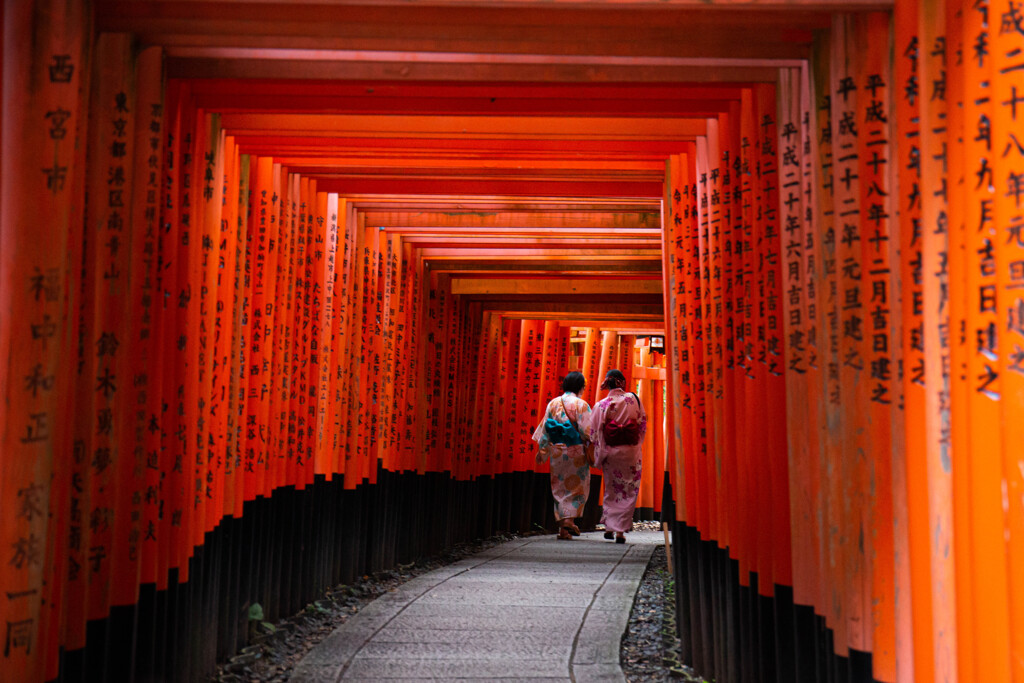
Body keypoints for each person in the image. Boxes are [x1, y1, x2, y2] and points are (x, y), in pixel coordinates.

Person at [585, 369, 647, 544]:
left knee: (612, 489)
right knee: (629, 490)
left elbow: (595, 432)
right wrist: (636, 444)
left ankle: (610, 526)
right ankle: (620, 532)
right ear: (622, 383)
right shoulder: (634, 400)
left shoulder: (601, 405)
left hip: (611, 452)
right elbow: (642, 425)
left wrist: (600, 453)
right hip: (631, 452)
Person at [532, 371, 593, 540]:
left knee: (559, 487)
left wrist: (542, 451)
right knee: (576, 487)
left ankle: (564, 530)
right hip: (576, 452)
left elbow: (545, 430)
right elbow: (589, 431)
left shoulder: (553, 403)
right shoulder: (581, 405)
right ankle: (569, 520)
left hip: (557, 451)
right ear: (580, 387)